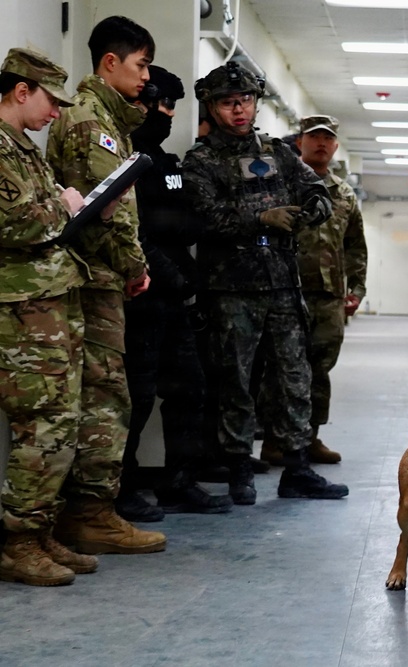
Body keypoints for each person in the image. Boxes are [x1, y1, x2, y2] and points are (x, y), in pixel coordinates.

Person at [181, 61, 348, 504]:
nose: (238, 110)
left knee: (296, 374)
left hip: (282, 283)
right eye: (227, 103)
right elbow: (207, 217)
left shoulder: (279, 152)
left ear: (256, 103)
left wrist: (311, 208)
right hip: (232, 286)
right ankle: (238, 466)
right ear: (213, 107)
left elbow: (316, 191)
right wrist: (261, 217)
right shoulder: (201, 160)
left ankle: (296, 467)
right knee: (237, 380)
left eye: (245, 101)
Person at [45, 16, 166, 555]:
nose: (147, 77)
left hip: (97, 277)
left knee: (105, 394)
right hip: (95, 279)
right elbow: (109, 213)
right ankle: (89, 514)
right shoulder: (92, 123)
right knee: (105, 397)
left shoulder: (106, 119)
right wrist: (135, 266)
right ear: (109, 62)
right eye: (140, 65)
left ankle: (88, 511)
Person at [0, 48, 102, 586]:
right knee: (40, 423)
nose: (57, 113)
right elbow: (16, 224)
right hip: (20, 310)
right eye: (51, 101)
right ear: (22, 91)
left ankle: (38, 533)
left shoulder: (25, 150)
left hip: (49, 300)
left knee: (61, 421)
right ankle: (17, 542)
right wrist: (64, 205)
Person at [116, 65, 233, 522]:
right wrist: (168, 247)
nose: (166, 114)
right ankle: (121, 488)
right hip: (140, 293)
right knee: (136, 396)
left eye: (172, 107)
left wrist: (172, 237)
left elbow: (189, 224)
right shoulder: (122, 156)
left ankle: (178, 480)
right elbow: (141, 230)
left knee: (189, 389)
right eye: (161, 104)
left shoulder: (165, 163)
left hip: (176, 295)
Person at [259, 115, 367, 466]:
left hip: (329, 295)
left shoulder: (344, 193)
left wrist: (357, 288)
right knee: (284, 368)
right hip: (288, 291)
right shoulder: (281, 185)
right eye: (313, 137)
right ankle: (277, 440)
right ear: (299, 143)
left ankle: (311, 438)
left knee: (320, 368)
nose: (321, 143)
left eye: (327, 138)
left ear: (335, 147)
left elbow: (355, 245)